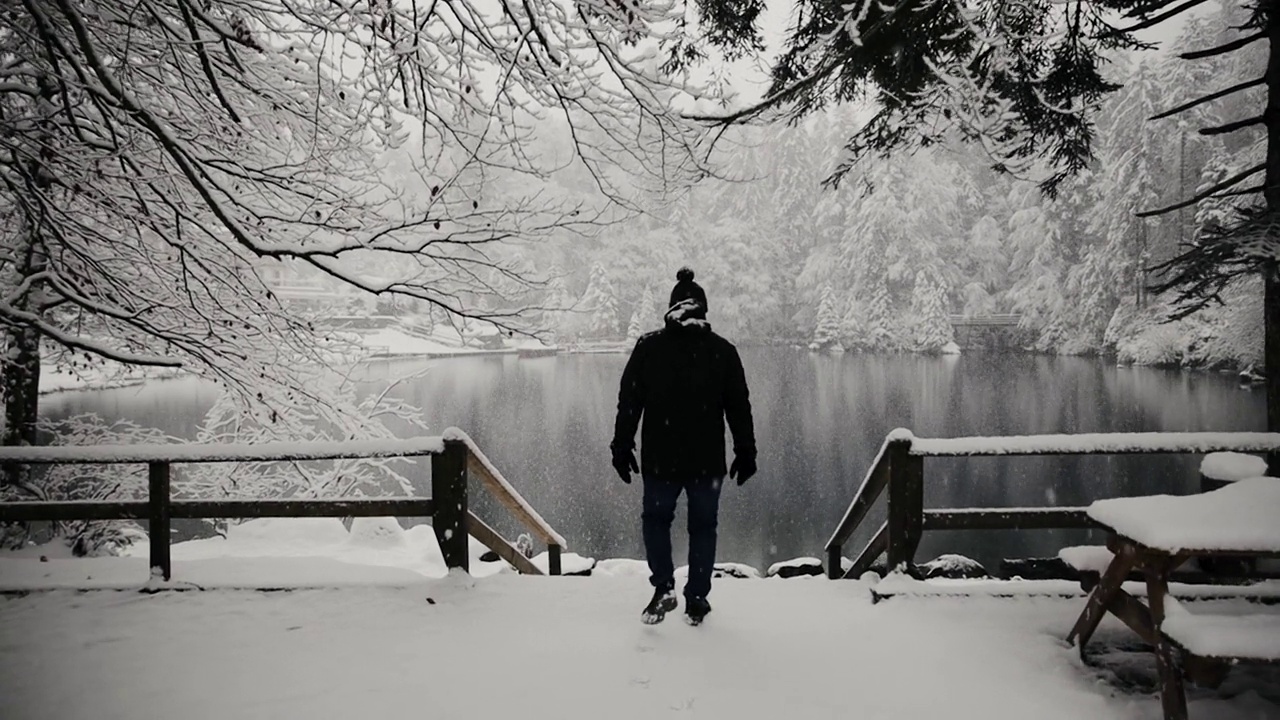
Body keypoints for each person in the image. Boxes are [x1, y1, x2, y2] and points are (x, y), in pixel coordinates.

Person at [610, 267, 756, 626]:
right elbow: (739, 406)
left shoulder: (649, 347)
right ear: (703, 311)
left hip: (661, 459)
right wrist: (745, 451)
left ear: (671, 308)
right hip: (707, 462)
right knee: (703, 528)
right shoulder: (723, 351)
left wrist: (622, 446)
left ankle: (663, 587)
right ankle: (697, 599)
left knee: (657, 521)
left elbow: (629, 402)